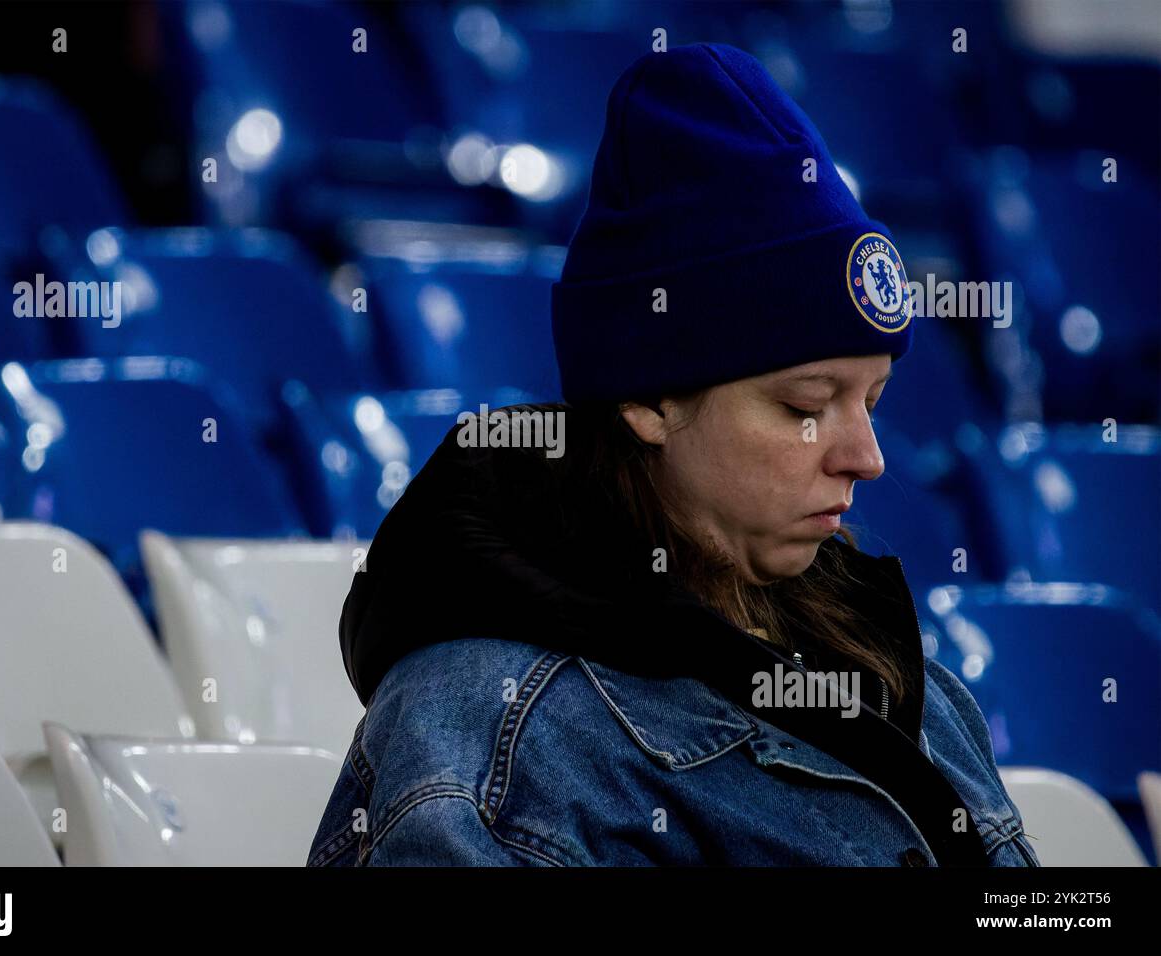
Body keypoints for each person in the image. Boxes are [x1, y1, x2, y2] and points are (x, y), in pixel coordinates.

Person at [306, 42, 1040, 867]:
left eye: (871, 402)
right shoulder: (491, 738)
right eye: (805, 405)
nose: (866, 458)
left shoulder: (901, 675)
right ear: (650, 400)